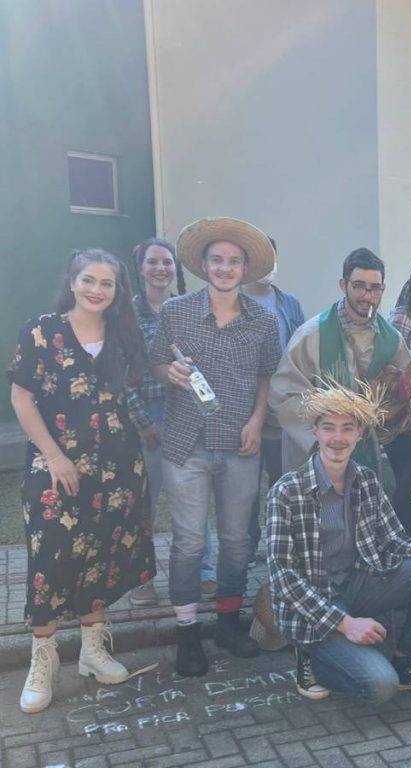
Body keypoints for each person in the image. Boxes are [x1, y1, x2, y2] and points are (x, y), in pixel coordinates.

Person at [9, 249, 156, 713]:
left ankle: (93, 651)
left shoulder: (123, 334)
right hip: (55, 465)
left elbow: (140, 385)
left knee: (103, 554)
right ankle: (43, 659)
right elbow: (21, 398)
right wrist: (55, 456)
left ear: (117, 291)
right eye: (88, 280)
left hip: (118, 466)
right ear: (72, 283)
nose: (96, 290)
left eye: (106, 283)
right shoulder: (41, 331)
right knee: (50, 558)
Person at [267, 383, 411, 704]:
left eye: (347, 428)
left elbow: (394, 541)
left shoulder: (367, 480)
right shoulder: (287, 490)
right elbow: (283, 576)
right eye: (328, 428)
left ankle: (408, 661)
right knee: (380, 686)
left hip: (359, 586)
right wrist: (345, 624)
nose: (337, 438)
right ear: (315, 432)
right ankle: (310, 654)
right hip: (315, 604)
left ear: (359, 433)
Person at [151, 217, 281, 677]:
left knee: (236, 542)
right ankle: (188, 632)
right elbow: (156, 363)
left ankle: (228, 622)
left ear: (245, 268)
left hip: (240, 444)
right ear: (203, 265)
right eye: (217, 260)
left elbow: (267, 376)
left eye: (234, 261)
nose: (225, 268)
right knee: (189, 542)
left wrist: (258, 420)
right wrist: (168, 372)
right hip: (185, 445)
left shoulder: (264, 321)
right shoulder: (175, 312)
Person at [270, 249, 411, 534]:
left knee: (361, 526)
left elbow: (401, 401)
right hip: (317, 450)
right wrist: (326, 432)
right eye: (359, 286)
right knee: (316, 529)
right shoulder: (312, 335)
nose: (367, 295)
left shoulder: (392, 341)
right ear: (343, 285)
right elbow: (284, 394)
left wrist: (390, 404)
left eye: (375, 288)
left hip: (366, 452)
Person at [124, 238, 188, 607]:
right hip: (147, 414)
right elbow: (120, 372)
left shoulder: (187, 310)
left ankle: (201, 571)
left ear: (176, 269)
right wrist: (142, 421)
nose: (160, 268)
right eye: (153, 262)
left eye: (167, 262)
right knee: (144, 503)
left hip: (185, 411)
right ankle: (142, 580)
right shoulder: (127, 315)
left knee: (191, 496)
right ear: (141, 268)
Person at [241, 255, 306, 565]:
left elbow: (301, 351)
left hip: (283, 411)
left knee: (283, 481)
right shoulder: (234, 302)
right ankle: (248, 546)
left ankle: (281, 546)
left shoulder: (289, 304)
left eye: (271, 259)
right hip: (244, 411)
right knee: (246, 488)